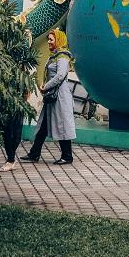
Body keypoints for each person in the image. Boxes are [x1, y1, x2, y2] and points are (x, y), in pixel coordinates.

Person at [21, 29, 76, 166]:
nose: (49, 42)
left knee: (62, 124)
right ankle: (34, 153)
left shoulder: (62, 57)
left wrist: (46, 86)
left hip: (60, 97)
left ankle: (67, 156)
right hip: (53, 96)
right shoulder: (55, 56)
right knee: (43, 125)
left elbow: (60, 75)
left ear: (59, 40)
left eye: (51, 40)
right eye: (49, 40)